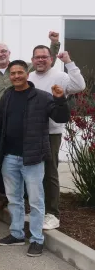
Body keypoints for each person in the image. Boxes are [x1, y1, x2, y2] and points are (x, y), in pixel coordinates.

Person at [0, 60, 70, 257]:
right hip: (9, 157)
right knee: (14, 199)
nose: (16, 76)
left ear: (27, 74)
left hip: (33, 157)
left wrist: (60, 100)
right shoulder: (7, 96)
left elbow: (61, 118)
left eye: (20, 72)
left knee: (36, 201)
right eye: (13, 73)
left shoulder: (43, 97)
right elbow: (2, 125)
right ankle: (17, 234)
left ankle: (37, 239)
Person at [0, 31, 60, 209]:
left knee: (25, 162)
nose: (0, 54)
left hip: (24, 119)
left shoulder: (24, 67)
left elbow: (46, 61)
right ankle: (3, 194)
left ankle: (27, 199)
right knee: (1, 159)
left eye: (3, 51)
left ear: (9, 53)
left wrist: (54, 44)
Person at [28, 48, 85, 230]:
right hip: (31, 132)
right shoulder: (29, 78)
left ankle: (52, 214)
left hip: (51, 132)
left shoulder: (60, 76)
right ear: (32, 60)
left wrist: (68, 62)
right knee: (33, 173)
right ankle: (37, 209)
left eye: (44, 57)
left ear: (51, 59)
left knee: (50, 172)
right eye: (37, 57)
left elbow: (79, 86)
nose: (41, 60)